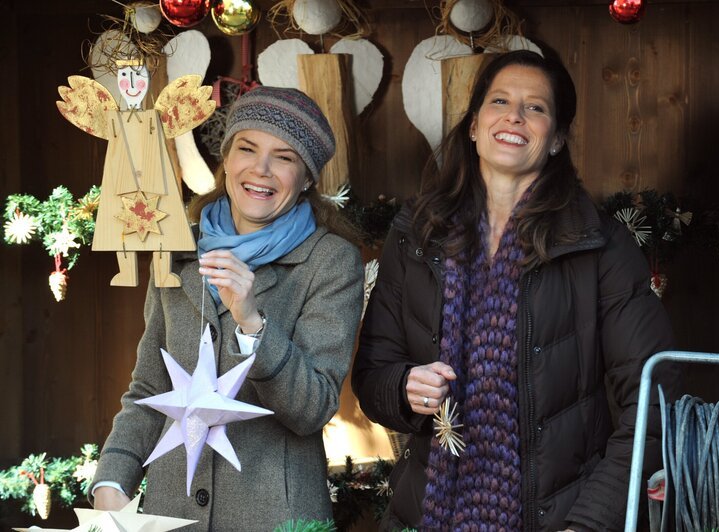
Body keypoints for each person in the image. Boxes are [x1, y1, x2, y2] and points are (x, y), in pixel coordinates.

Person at [352, 45, 680, 531]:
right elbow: (373, 379)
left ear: (556, 138)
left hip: (561, 517)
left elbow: (656, 399)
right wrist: (404, 388)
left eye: (536, 108)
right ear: (473, 124)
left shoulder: (600, 247)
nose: (515, 117)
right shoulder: (417, 237)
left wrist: (589, 523)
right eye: (500, 101)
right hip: (429, 512)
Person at [90, 86, 365, 530]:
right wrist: (111, 480)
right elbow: (147, 391)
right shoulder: (179, 251)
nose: (260, 169)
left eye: (284, 157)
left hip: (275, 516)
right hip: (172, 514)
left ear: (309, 178)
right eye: (247, 148)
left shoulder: (330, 262)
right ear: (226, 157)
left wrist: (252, 323)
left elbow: (312, 409)